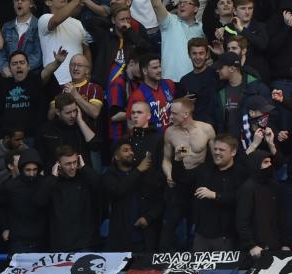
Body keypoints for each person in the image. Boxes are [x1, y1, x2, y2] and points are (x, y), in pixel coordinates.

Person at [161, 97, 216, 248]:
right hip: (179, 178)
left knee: (197, 221)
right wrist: (169, 175)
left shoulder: (206, 129)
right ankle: (163, 256)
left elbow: (216, 158)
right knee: (171, 220)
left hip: (199, 178)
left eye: (174, 113)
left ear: (186, 114)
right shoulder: (170, 132)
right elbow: (166, 159)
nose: (170, 116)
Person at [0, 48, 67, 139]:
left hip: (33, 137)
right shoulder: (3, 83)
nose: (18, 66)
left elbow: (47, 71)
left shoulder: (35, 80)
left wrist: (57, 62)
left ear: (28, 66)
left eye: (22, 63)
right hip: (8, 139)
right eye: (14, 64)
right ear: (9, 69)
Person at [38, 145, 104, 251]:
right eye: (68, 164)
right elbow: (39, 201)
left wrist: (84, 167)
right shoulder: (52, 182)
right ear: (58, 164)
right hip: (62, 244)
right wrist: (53, 178)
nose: (73, 167)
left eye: (75, 162)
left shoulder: (85, 177)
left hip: (86, 242)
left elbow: (101, 186)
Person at [145, 0, 204, 82]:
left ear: (196, 8)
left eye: (187, 3)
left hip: (194, 82)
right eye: (180, 3)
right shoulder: (170, 21)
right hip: (170, 81)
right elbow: (156, 3)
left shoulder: (202, 28)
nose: (182, 5)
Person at [191, 134, 249, 251]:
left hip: (226, 236)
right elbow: (183, 180)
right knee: (196, 269)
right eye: (215, 149)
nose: (217, 152)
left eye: (221, 150)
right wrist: (178, 159)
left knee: (224, 269)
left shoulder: (241, 173)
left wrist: (215, 195)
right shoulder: (204, 169)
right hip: (201, 235)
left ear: (233, 152)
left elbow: (241, 199)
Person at [103, 139, 161, 251]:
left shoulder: (145, 173)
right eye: (125, 150)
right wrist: (138, 170)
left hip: (144, 238)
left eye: (131, 150)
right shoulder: (109, 176)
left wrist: (148, 217)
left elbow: (160, 201)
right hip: (121, 239)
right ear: (117, 157)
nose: (131, 153)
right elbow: (119, 190)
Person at [0, 148, 47, 253]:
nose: (32, 173)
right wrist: (5, 228)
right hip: (19, 238)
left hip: (42, 237)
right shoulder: (9, 186)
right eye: (28, 170)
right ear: (21, 168)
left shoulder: (45, 184)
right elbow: (1, 208)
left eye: (35, 169)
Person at [237, 150, 286, 257]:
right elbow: (242, 221)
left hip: (275, 246)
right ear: (256, 164)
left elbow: (281, 216)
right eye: (265, 162)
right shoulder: (248, 188)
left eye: (270, 162)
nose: (270, 165)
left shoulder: (274, 186)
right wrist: (251, 245)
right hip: (256, 250)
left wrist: (285, 243)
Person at [127, 54, 175, 131]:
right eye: (155, 68)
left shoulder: (169, 84)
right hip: (152, 139)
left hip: (172, 136)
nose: (159, 70)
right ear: (145, 71)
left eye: (159, 66)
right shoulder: (137, 95)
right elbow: (131, 123)